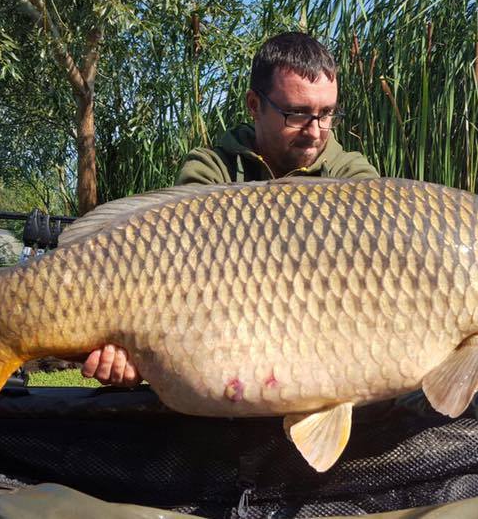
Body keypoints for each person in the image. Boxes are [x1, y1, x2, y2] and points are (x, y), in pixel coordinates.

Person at [80, 32, 378, 385]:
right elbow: (174, 286)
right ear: (255, 104)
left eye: (326, 114)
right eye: (296, 114)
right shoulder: (210, 171)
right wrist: (132, 350)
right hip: (224, 358)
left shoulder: (354, 179)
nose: (315, 132)